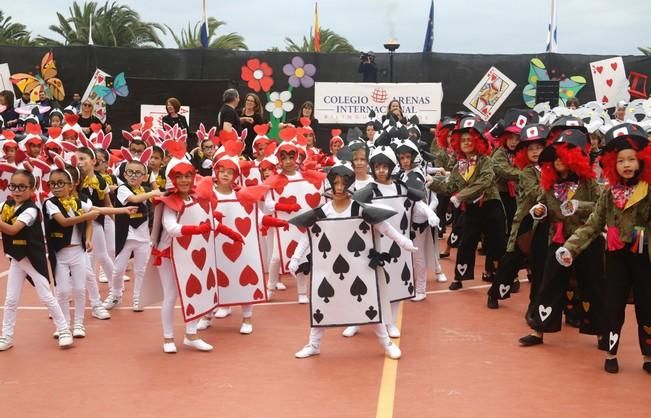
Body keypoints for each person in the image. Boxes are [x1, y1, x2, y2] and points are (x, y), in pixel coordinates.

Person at [288, 156, 415, 359]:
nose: (339, 188)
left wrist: (403, 242)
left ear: (350, 184)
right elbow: (307, 235)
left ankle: (386, 343)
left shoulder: (361, 210)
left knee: (370, 305)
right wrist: (295, 258)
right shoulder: (323, 212)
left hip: (361, 269)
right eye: (335, 183)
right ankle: (314, 344)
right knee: (322, 305)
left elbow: (385, 227)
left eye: (343, 183)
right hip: (328, 270)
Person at [556, 123, 651, 374]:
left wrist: (640, 234)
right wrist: (570, 248)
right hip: (616, 258)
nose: (627, 165)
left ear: (641, 161)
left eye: (631, 159)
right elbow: (592, 224)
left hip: (644, 258)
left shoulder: (648, 191)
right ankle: (611, 352)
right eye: (621, 161)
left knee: (647, 304)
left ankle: (648, 354)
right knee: (613, 304)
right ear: (612, 164)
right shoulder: (608, 194)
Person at [518, 129, 606, 349]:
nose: (557, 161)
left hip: (587, 241)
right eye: (554, 158)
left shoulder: (589, 184)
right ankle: (538, 330)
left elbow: (603, 207)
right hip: (558, 241)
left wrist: (580, 206)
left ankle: (602, 334)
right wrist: (539, 210)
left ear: (573, 159)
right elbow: (541, 203)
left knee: (593, 286)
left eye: (562, 157)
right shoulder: (549, 184)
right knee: (548, 284)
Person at [428, 117, 506, 291]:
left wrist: (461, 196)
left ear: (477, 141)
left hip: (491, 206)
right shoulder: (458, 166)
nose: (466, 143)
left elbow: (485, 181)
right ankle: (459, 277)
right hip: (472, 209)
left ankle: (500, 277)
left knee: (496, 243)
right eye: (462, 140)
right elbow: (449, 186)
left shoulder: (486, 161)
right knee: (466, 243)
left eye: (470, 139)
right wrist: (430, 182)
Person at [0, 169, 72, 351]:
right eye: (13, 186)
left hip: (32, 257)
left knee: (46, 295)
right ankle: (6, 336)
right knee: (10, 300)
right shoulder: (6, 205)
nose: (16, 190)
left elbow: (12, 229)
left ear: (32, 189)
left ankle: (64, 330)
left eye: (22, 187)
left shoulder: (31, 210)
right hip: (17, 258)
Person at [103, 152, 163, 312]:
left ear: (144, 176)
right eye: (130, 172)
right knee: (117, 270)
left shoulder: (145, 189)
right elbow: (135, 199)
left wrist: (162, 195)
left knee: (140, 270)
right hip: (125, 236)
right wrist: (155, 192)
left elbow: (158, 202)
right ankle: (115, 295)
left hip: (143, 238)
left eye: (138, 173)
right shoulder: (123, 189)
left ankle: (138, 298)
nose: (133, 176)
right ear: (124, 174)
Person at [239, 93, 266, 159]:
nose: (249, 102)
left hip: (251, 145)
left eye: (251, 101)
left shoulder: (257, 117)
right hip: (239, 144)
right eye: (248, 100)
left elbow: (261, 132)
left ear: (255, 104)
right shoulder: (238, 113)